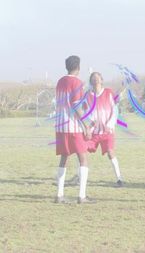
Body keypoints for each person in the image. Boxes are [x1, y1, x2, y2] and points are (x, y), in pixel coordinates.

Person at [54, 55, 95, 204]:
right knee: (83, 158)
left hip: (60, 125)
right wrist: (86, 125)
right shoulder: (77, 82)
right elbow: (76, 105)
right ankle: (81, 196)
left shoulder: (60, 81)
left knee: (64, 158)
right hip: (73, 126)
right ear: (78, 67)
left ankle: (59, 195)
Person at [85, 72, 125, 187]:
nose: (96, 80)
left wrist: (110, 124)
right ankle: (80, 175)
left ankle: (119, 179)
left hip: (108, 131)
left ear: (102, 80)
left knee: (110, 152)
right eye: (93, 78)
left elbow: (114, 110)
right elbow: (88, 113)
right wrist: (89, 127)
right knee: (81, 150)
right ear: (91, 81)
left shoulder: (108, 93)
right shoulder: (88, 95)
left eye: (98, 78)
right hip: (94, 132)